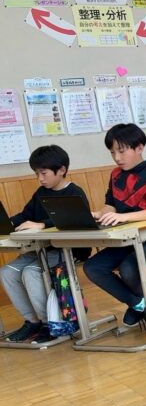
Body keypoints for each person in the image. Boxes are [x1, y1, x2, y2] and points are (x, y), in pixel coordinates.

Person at [83, 124, 146, 329]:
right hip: (128, 239)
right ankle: (139, 302)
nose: (117, 157)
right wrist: (99, 214)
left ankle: (143, 303)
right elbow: (110, 205)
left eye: (121, 151)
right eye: (112, 152)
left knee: (129, 267)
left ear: (140, 147)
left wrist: (123, 217)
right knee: (93, 267)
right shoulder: (116, 174)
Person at [1, 145, 90, 343]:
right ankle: (32, 322)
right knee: (7, 272)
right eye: (37, 174)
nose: (40, 178)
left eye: (44, 173)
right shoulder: (41, 192)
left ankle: (49, 323)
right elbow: (25, 216)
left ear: (62, 170)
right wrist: (8, 224)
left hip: (67, 250)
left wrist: (42, 224)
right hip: (40, 250)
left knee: (31, 273)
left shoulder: (74, 192)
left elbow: (74, 219)